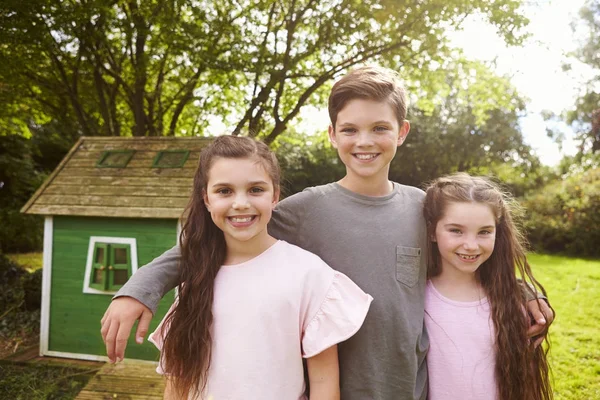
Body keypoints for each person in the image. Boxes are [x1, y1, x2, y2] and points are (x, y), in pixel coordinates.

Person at [101, 66, 554, 400]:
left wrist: (520, 291)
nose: (365, 141)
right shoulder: (302, 211)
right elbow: (215, 237)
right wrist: (141, 287)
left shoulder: (423, 208)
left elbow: (468, 256)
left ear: (403, 132)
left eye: (380, 128)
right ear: (332, 135)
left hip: (404, 388)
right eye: (351, 129)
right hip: (327, 386)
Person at [146, 135, 372, 399]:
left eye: (255, 190)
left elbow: (324, 385)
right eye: (224, 191)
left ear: (275, 195)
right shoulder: (196, 278)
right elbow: (177, 384)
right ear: (206, 199)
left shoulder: (308, 274)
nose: (241, 203)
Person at [423, 173, 552, 400]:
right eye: (456, 230)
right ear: (433, 231)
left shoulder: (513, 304)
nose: (471, 245)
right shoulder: (414, 296)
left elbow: (527, 385)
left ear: (497, 233)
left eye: (484, 232)